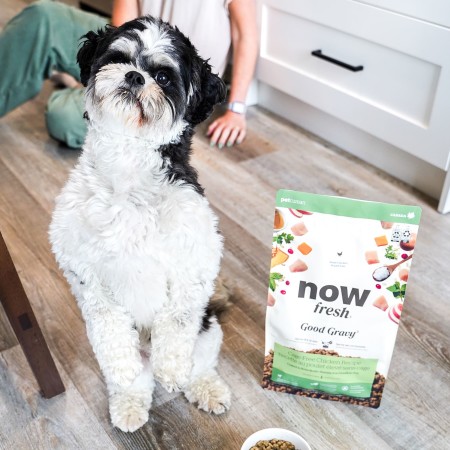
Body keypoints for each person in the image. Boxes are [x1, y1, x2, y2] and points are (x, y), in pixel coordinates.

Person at [0, 0, 258, 149]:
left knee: (65, 120)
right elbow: (122, 32)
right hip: (132, 53)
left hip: (170, 80)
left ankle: (70, 81)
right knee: (43, 16)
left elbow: (246, 36)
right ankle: (73, 77)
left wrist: (236, 109)